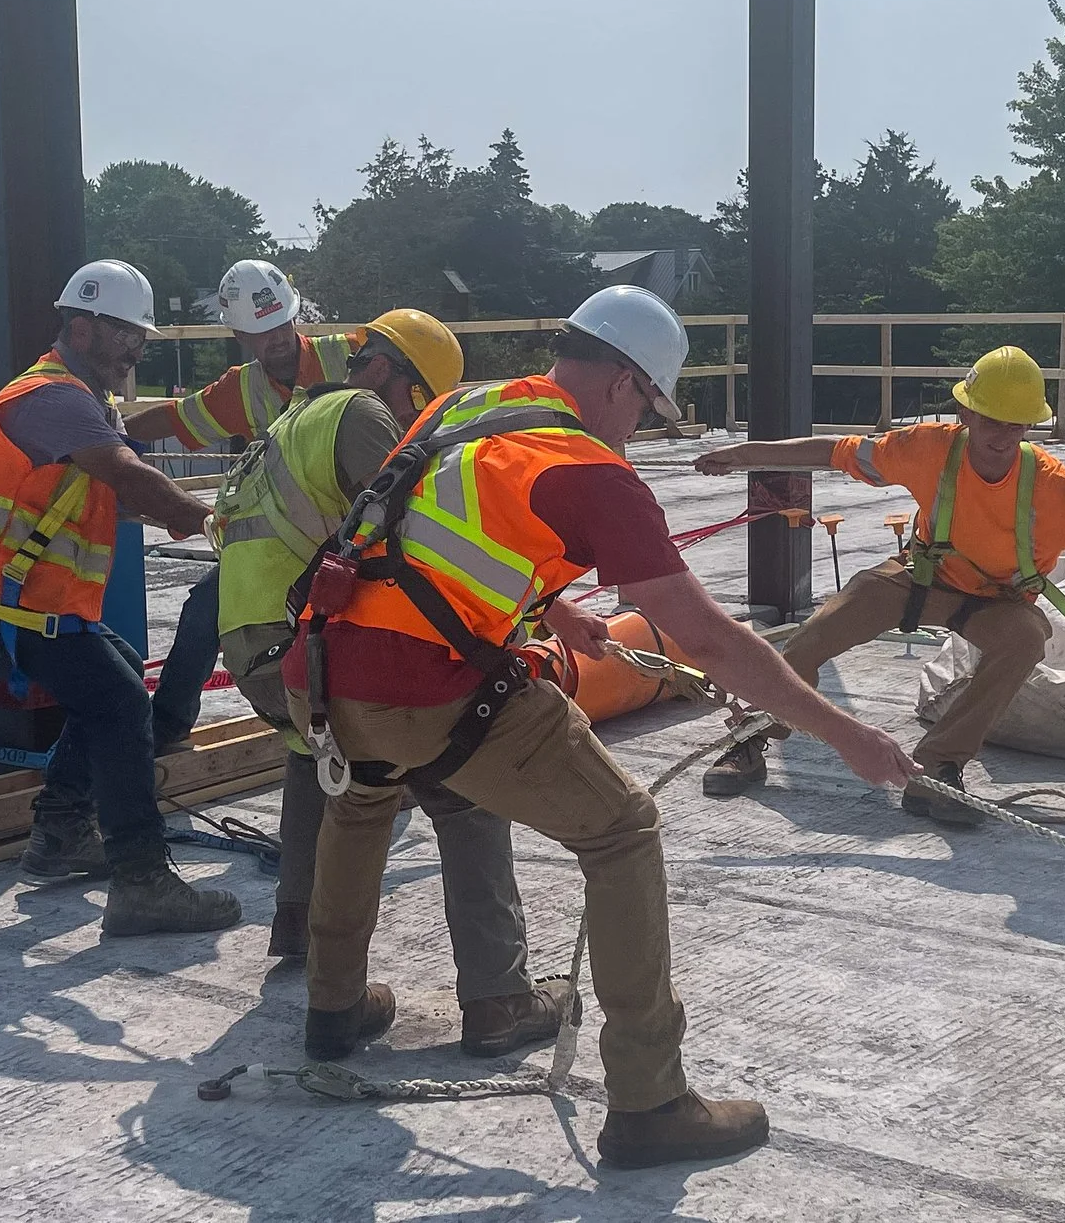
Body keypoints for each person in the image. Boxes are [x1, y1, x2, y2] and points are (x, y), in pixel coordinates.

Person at [288, 285, 919, 1170]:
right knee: (623, 832)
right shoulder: (590, 469)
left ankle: (333, 1007)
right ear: (625, 383)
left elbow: (420, 527)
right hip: (429, 688)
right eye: (650, 411)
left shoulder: (469, 404)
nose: (641, 432)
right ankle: (651, 1101)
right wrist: (842, 733)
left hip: (326, 666)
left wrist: (554, 611)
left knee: (361, 799)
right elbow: (707, 637)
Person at [206, 307, 571, 1057]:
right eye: (427, 409)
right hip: (305, 641)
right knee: (461, 782)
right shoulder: (366, 417)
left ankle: (317, 963)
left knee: (331, 764)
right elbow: (415, 538)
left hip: (257, 644)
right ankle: (501, 998)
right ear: (407, 387)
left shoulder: (300, 417)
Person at [694, 345, 1065, 825]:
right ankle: (751, 738)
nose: (1003, 435)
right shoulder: (927, 448)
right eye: (992, 421)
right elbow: (833, 451)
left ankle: (937, 769)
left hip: (997, 601)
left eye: (1017, 425)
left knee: (1024, 639)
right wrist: (746, 455)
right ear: (966, 413)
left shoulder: (1056, 489)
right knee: (814, 637)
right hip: (918, 578)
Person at [0, 259, 240, 937]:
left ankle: (60, 832)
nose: (138, 346)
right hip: (5, 599)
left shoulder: (83, 400)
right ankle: (142, 879)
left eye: (141, 334)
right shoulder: (51, 398)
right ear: (82, 325)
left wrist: (182, 510)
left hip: (20, 594)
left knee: (118, 672)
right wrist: (214, 523)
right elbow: (128, 475)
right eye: (126, 332)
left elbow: (112, 498)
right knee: (122, 700)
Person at [127, 259, 352, 751]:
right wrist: (107, 435)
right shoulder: (242, 389)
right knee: (205, 608)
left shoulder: (350, 358)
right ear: (240, 335)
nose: (273, 339)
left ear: (294, 317)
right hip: (282, 545)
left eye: (279, 324)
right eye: (258, 332)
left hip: (353, 536)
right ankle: (166, 725)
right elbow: (173, 417)